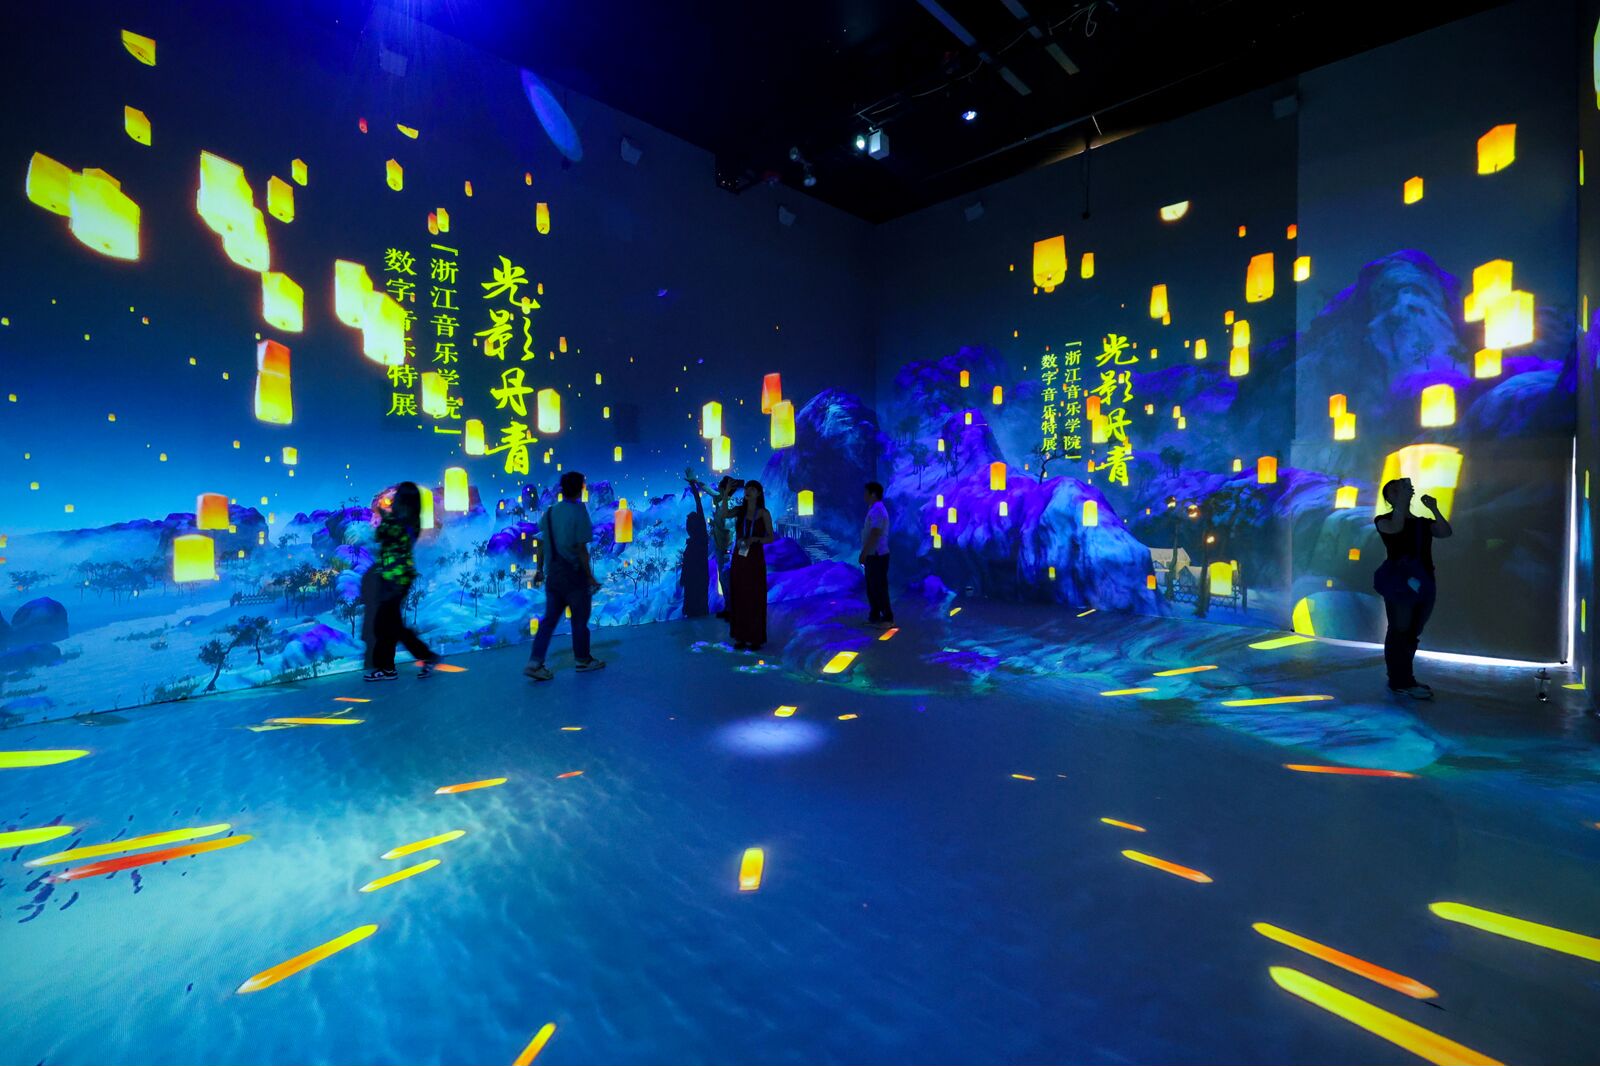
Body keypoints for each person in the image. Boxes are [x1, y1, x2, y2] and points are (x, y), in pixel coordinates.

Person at [1373, 477, 1452, 698]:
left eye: (1402, 489)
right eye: (1395, 490)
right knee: (1400, 630)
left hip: (1425, 581)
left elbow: (1445, 532)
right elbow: (1396, 527)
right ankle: (1400, 681)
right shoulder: (1383, 520)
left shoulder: (1422, 522)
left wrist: (1434, 508)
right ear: (1389, 498)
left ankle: (1405, 678)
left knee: (1412, 631)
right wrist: (1402, 501)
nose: (1401, 491)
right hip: (1399, 583)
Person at [524, 470, 606, 681]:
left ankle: (535, 663)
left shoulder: (551, 512)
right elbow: (581, 549)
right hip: (573, 576)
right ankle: (583, 660)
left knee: (548, 621)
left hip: (553, 575)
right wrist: (590, 577)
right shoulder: (579, 511)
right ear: (580, 488)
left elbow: (541, 544)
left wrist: (539, 570)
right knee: (579, 620)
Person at [364, 481, 438, 681]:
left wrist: (382, 511)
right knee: (389, 625)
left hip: (396, 579)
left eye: (397, 496)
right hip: (393, 577)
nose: (393, 499)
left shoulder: (403, 522)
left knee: (387, 625)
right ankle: (390, 667)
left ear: (404, 500)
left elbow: (381, 533)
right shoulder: (406, 520)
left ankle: (399, 664)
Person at [727, 479, 775, 650]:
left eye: (752, 489)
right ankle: (740, 636)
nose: (748, 491)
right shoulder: (740, 511)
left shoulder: (763, 513)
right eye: (747, 488)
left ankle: (755, 638)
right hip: (739, 557)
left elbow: (771, 537)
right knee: (739, 595)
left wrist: (755, 539)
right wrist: (726, 494)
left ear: (759, 493)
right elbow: (724, 514)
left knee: (754, 595)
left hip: (755, 558)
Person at [861, 481, 893, 627]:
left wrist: (864, 552)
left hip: (877, 554)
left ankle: (887, 618)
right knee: (872, 586)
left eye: (866, 492)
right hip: (874, 554)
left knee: (879, 586)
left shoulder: (877, 509)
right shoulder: (874, 508)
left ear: (873, 494)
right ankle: (875, 615)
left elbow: (875, 532)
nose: (864, 495)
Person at [681, 481, 711, 618]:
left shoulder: (701, 539)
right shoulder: (696, 541)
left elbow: (699, 506)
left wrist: (693, 486)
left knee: (698, 611)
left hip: (697, 580)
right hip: (695, 581)